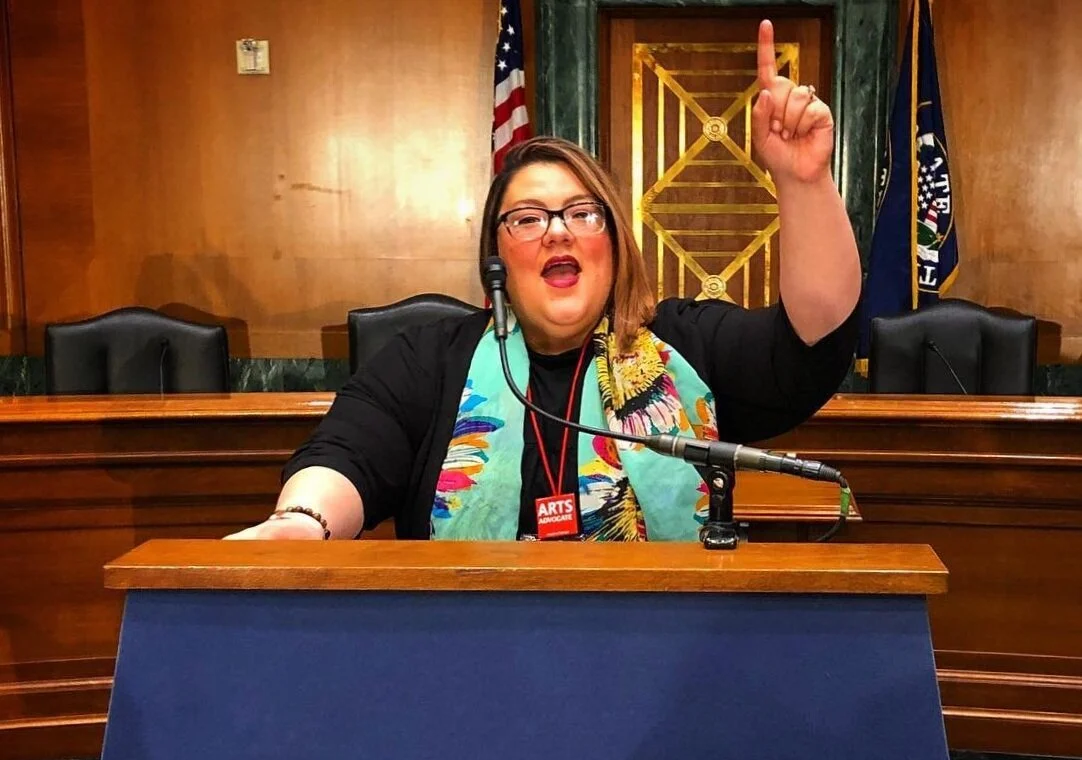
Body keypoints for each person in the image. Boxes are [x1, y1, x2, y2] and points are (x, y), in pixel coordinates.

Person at [230, 20, 861, 544]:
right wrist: (301, 522)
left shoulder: (681, 344)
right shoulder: (429, 362)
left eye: (582, 213)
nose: (556, 232)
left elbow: (814, 339)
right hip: (474, 658)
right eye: (528, 219)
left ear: (613, 242)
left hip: (657, 662)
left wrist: (804, 183)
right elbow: (347, 453)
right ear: (495, 257)